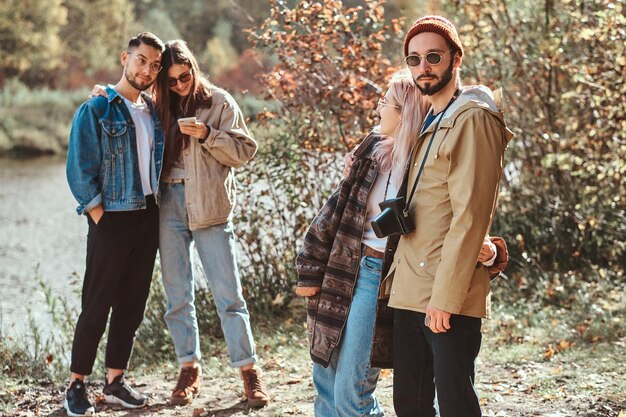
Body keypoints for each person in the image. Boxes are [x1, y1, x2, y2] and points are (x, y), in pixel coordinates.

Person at [296, 70, 509, 417]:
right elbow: (333, 212)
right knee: (325, 377)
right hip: (342, 267)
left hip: (382, 276)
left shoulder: (423, 161)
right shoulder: (371, 150)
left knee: (354, 390)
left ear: (406, 111)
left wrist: (491, 251)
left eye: (387, 103)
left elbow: (456, 217)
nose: (379, 108)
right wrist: (311, 267)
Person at [89, 39, 269, 407]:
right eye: (169, 80)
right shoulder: (159, 106)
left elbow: (245, 151)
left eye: (184, 76)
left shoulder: (219, 102)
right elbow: (127, 100)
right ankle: (189, 367)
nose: (179, 84)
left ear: (193, 69)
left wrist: (208, 135)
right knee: (177, 297)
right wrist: (103, 93)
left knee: (228, 296)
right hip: (168, 205)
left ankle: (249, 371)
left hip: (210, 208)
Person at [386, 16, 513, 417]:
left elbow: (470, 217)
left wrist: (444, 300)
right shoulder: (428, 119)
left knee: (456, 403)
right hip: (409, 287)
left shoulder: (472, 117)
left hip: (445, 295)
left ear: (455, 59)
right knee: (411, 404)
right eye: (414, 59)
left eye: (433, 56)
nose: (423, 66)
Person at [65, 32, 166, 416]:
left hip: (148, 217)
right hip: (112, 219)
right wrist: (99, 217)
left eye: (155, 65)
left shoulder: (153, 111)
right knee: (96, 304)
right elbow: (79, 170)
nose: (148, 70)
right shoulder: (96, 109)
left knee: (132, 306)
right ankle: (76, 384)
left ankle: (114, 382)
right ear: (125, 58)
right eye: (142, 60)